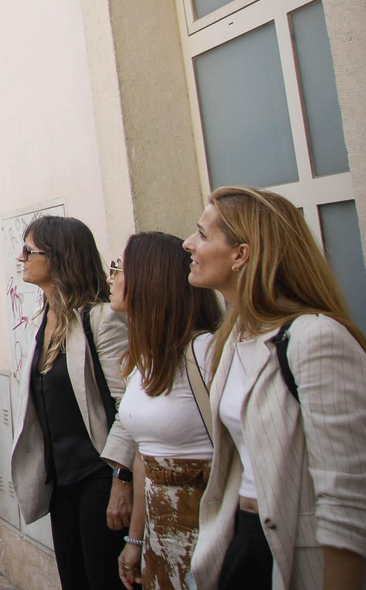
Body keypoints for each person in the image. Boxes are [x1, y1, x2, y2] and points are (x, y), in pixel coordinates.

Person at [184, 186, 366, 590]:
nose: (188, 243)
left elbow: (347, 501)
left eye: (202, 233)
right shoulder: (230, 341)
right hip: (244, 543)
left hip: (306, 557)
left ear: (241, 254)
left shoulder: (316, 339)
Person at [9, 213, 130, 590]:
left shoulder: (101, 319)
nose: (21, 258)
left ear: (59, 257)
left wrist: (122, 480)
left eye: (29, 250)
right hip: (61, 484)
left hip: (99, 478)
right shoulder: (43, 321)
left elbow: (128, 408)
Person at [97, 231, 220, 590]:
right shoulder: (144, 358)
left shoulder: (206, 353)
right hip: (159, 534)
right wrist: (135, 540)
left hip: (206, 526)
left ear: (149, 279)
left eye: (118, 268)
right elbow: (143, 456)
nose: (111, 278)